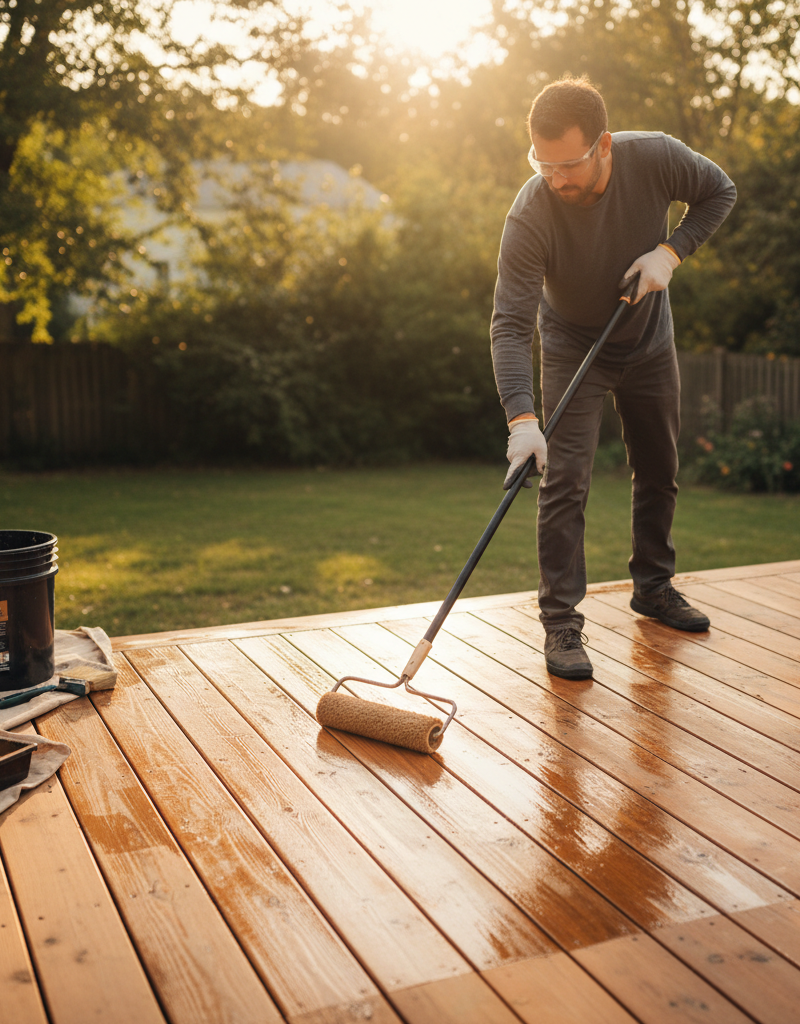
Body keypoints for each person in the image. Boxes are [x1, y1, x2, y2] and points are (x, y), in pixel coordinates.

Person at [491, 76, 736, 680]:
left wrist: (671, 253)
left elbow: (719, 191)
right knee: (565, 479)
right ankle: (561, 624)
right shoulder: (532, 210)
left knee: (659, 467)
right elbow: (510, 323)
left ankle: (654, 589)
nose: (554, 178)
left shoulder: (653, 156)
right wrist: (522, 420)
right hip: (575, 345)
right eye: (541, 163)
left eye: (567, 164)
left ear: (604, 145)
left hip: (648, 336)